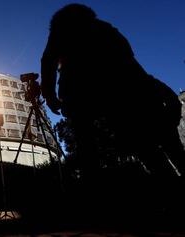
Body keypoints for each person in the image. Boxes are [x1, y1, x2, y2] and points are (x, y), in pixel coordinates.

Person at [40, 3, 185, 182]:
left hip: (92, 98)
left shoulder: (62, 34)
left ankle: (95, 189)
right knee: (166, 147)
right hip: (132, 96)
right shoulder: (107, 30)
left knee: (145, 153)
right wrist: (165, 93)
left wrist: (50, 95)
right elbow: (132, 65)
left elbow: (48, 61)